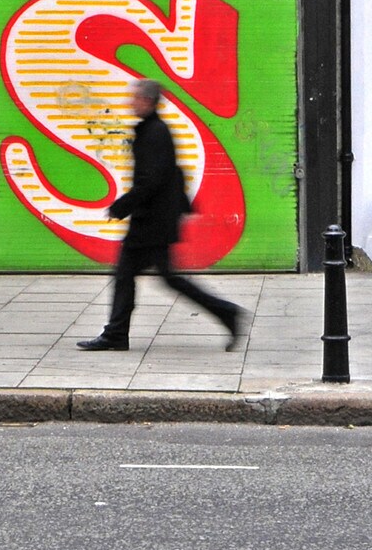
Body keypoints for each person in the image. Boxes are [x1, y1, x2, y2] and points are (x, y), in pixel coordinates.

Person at [77, 78, 249, 354]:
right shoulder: (152, 129)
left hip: (152, 221)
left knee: (132, 275)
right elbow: (166, 176)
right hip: (156, 218)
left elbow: (151, 181)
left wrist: (121, 206)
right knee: (147, 276)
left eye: (134, 98)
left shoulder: (154, 132)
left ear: (146, 101)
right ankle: (117, 333)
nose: (130, 102)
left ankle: (117, 334)